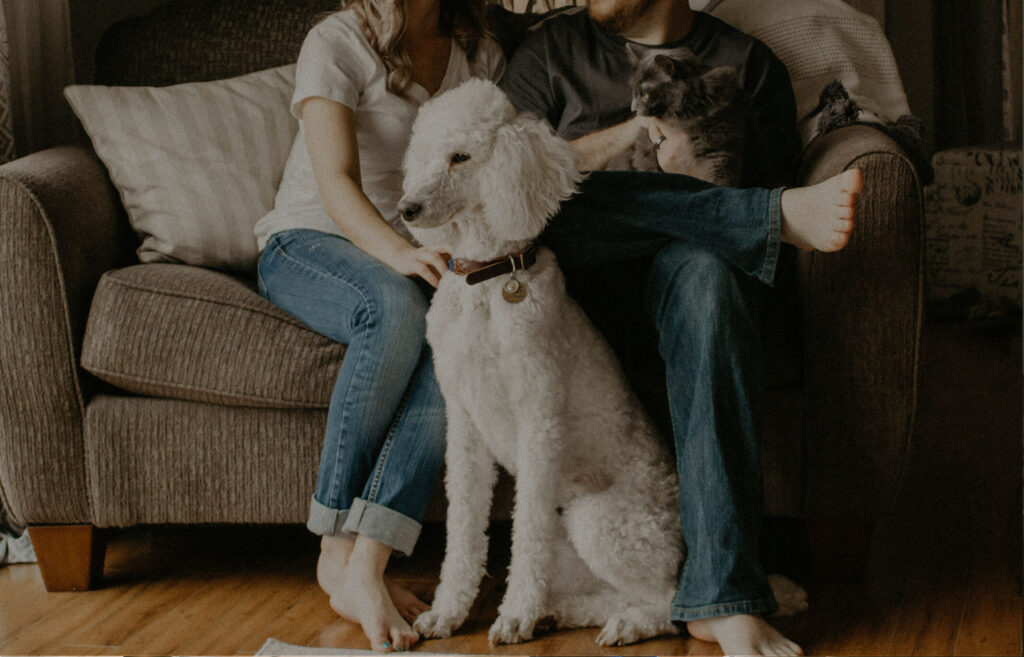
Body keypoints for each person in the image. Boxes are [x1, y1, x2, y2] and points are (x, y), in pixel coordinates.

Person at [499, 1, 863, 655]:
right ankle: (762, 215)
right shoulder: (549, 54)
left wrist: (696, 182)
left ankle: (720, 598)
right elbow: (501, 184)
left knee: (710, 270)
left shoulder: (746, 66)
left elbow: (755, 262)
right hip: (575, 295)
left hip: (691, 296)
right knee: (547, 195)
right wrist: (628, 138)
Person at [252, 0, 505, 651]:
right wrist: (398, 253)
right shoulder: (336, 41)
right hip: (310, 241)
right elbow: (335, 181)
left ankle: (367, 563)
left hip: (417, 248)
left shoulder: (479, 51)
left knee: (463, 333)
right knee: (395, 308)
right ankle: (335, 552)